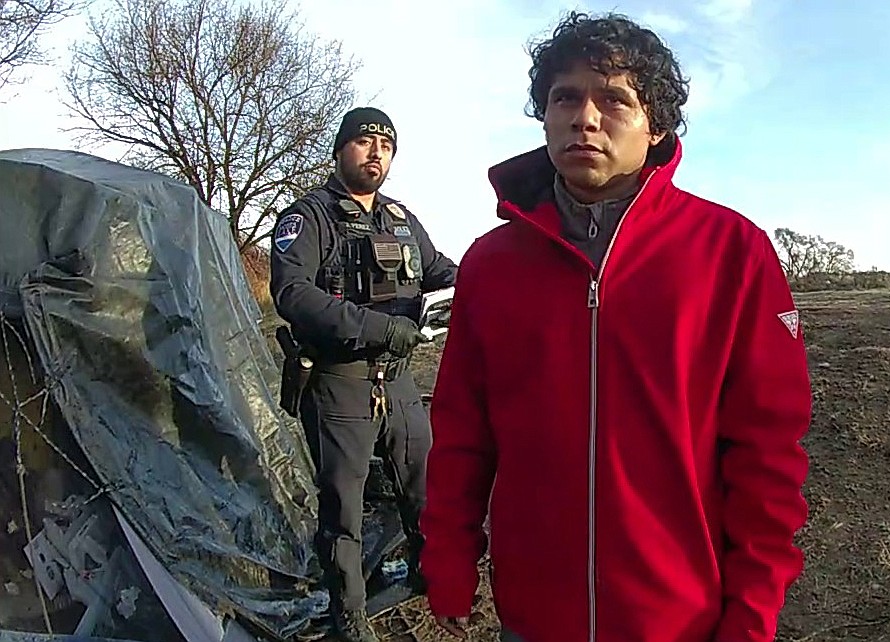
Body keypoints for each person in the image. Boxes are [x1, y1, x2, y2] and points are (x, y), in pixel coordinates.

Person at [419, 11, 811, 642]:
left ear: (655, 125)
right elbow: (462, 428)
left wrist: (753, 610)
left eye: (614, 100)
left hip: (681, 620)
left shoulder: (731, 253)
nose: (585, 117)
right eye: (565, 97)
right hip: (533, 617)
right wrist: (448, 555)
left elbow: (768, 455)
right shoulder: (492, 266)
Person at [270, 106, 458, 642]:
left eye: (386, 145)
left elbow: (440, 270)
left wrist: (480, 279)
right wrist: (378, 327)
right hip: (339, 379)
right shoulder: (308, 218)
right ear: (339, 150)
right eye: (363, 141)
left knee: (423, 482)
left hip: (397, 380)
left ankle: (427, 570)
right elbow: (292, 294)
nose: (375, 152)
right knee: (344, 506)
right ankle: (348, 613)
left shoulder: (400, 219)